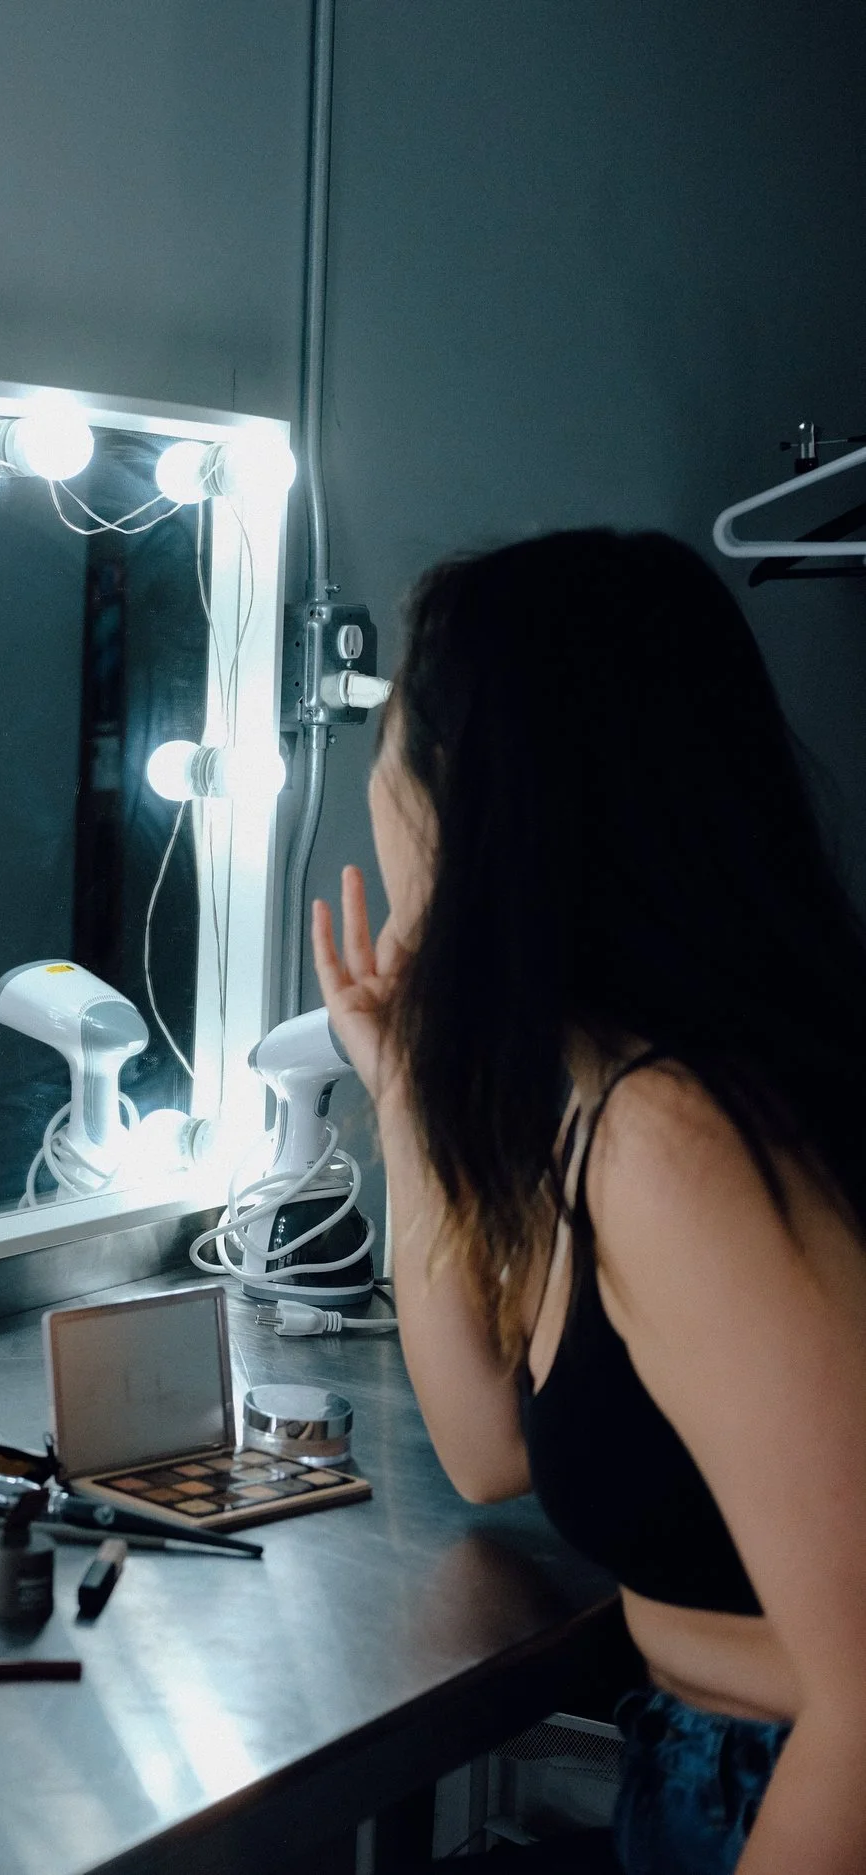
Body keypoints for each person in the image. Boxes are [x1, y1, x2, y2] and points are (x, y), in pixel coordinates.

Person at [314, 528, 866, 1873]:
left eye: (396, 737)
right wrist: (401, 1097)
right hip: (695, 1767)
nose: (378, 782)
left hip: (778, 1794)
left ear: (481, 800)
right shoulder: (615, 1090)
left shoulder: (675, 1139)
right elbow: (487, 1447)